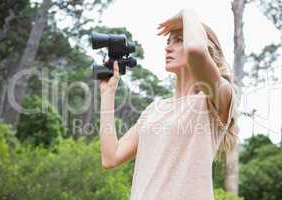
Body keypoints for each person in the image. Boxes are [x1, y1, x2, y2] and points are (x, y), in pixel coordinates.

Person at [99, 9, 237, 200]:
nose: (168, 48)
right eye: (168, 41)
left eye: (179, 39)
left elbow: (195, 51)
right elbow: (110, 157)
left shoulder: (213, 101)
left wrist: (187, 12)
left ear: (207, 50)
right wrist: (107, 94)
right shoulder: (154, 110)